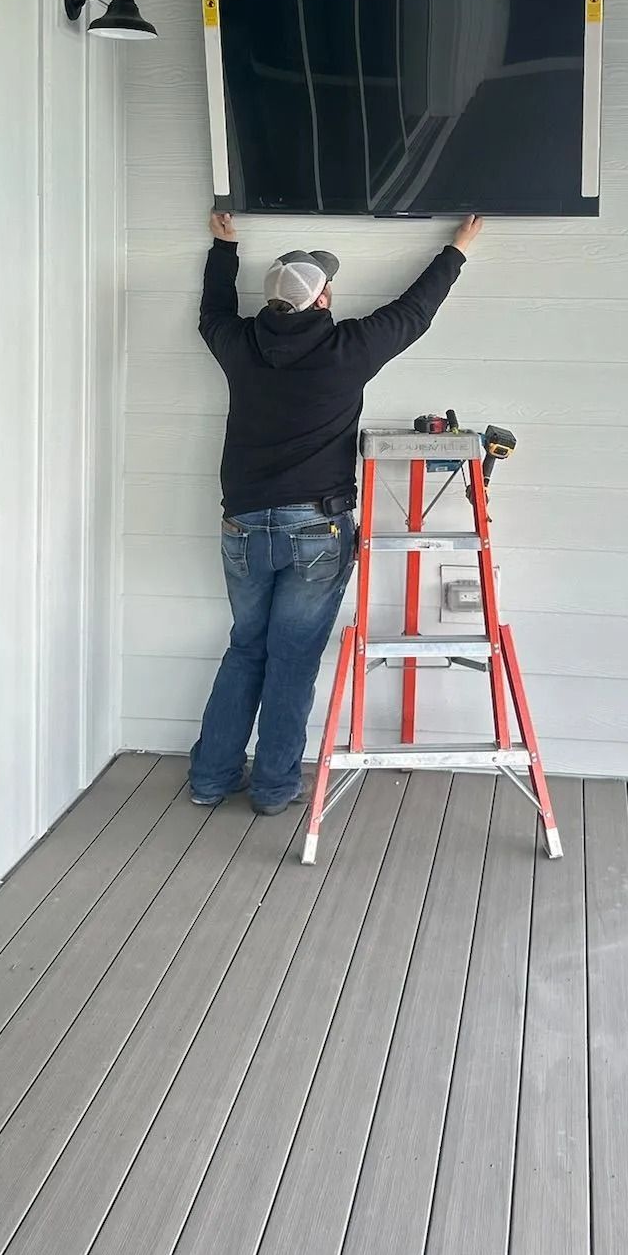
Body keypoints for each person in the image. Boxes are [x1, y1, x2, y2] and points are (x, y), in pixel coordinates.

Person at [190, 210, 484, 813]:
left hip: (243, 524)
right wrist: (456, 249)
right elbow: (413, 314)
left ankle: (210, 780)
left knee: (246, 647)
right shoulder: (348, 348)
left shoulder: (240, 345)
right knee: (292, 659)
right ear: (322, 299)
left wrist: (224, 249)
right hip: (315, 529)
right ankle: (272, 789)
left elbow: (211, 316)